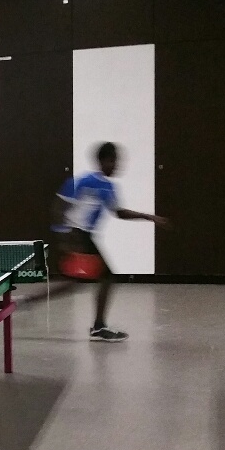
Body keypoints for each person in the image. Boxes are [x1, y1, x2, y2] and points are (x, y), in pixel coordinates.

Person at [48, 142, 168, 342]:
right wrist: (63, 237)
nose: (116, 165)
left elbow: (118, 212)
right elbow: (59, 207)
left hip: (86, 237)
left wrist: (149, 217)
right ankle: (98, 327)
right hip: (77, 235)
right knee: (105, 276)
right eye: (113, 160)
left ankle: (27, 301)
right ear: (102, 161)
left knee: (75, 282)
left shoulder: (108, 186)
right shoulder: (83, 181)